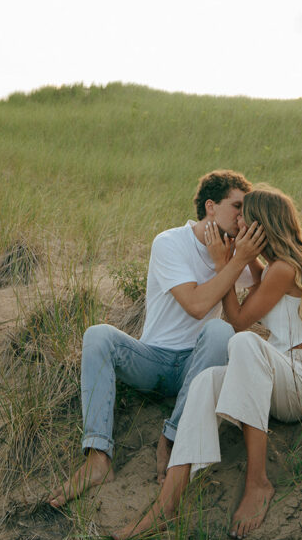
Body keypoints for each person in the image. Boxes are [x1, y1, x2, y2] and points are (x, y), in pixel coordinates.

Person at [112, 184, 302, 540]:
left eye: (245, 218)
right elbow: (248, 294)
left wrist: (223, 264)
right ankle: (166, 504)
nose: (238, 223)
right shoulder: (273, 267)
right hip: (281, 378)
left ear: (262, 225)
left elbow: (238, 321)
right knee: (205, 382)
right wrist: (238, 261)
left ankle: (258, 482)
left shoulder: (285, 269)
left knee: (245, 343)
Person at [48, 170, 266, 507]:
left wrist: (245, 259)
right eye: (237, 206)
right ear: (211, 206)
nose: (243, 216)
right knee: (97, 335)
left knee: (220, 331)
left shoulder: (233, 253)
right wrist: (235, 263)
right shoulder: (169, 242)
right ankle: (97, 457)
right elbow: (195, 305)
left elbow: (263, 294)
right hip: (155, 361)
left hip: (199, 366)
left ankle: (172, 438)